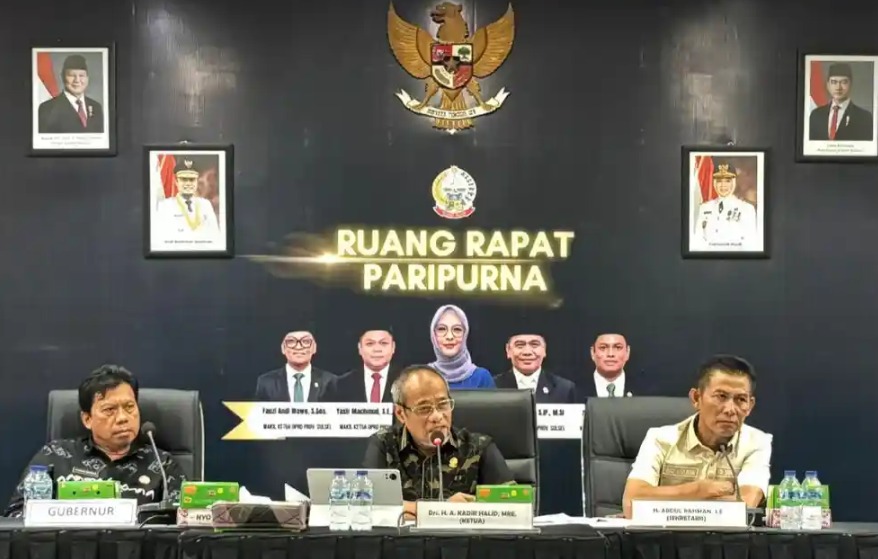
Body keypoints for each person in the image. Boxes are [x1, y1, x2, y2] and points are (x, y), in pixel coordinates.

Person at [4, 365, 185, 516]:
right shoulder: (55, 457)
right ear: (87, 419)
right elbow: (16, 515)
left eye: (129, 407)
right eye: (109, 410)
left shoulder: (162, 465)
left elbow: (184, 522)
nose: (122, 418)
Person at [622, 355, 772, 518]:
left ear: (750, 406)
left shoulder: (757, 442)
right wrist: (700, 490)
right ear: (696, 398)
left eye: (740, 399)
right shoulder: (660, 439)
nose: (730, 409)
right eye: (721, 396)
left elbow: (744, 507)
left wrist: (664, 499)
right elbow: (631, 502)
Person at [362, 365, 515, 518]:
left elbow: (514, 505)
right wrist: (443, 510)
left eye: (443, 405)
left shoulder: (478, 448)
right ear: (401, 414)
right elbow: (366, 505)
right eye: (424, 408)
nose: (437, 416)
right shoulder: (385, 444)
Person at [493, 333, 577, 403]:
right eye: (520, 345)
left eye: (534, 345)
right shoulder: (493, 386)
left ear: (544, 350)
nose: (527, 352)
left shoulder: (564, 389)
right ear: (508, 350)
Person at [254, 330, 335, 402]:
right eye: (291, 341)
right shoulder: (267, 382)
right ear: (283, 348)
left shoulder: (329, 381)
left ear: (314, 348)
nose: (298, 347)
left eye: (306, 341)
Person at [153, 158, 221, 243]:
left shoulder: (206, 205)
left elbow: (215, 238)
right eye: (184, 179)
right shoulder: (165, 206)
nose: (188, 183)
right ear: (176, 182)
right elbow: (162, 239)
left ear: (197, 181)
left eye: (192, 179)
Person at [428, 304, 494, 389]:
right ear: (434, 335)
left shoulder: (482, 378)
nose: (449, 336)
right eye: (442, 329)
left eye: (457, 329)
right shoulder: (423, 376)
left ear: (465, 334)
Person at [693, 162, 758, 248]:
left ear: (734, 182)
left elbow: (750, 244)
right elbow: (698, 241)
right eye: (719, 181)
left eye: (728, 181)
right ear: (714, 183)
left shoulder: (747, 209)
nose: (723, 185)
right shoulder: (704, 208)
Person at [37, 54, 105, 134]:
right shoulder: (47, 108)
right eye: (72, 75)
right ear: (63, 77)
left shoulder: (96, 107)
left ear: (87, 78)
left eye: (81, 75)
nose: (77, 80)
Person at [328, 328, 400, 403]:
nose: (377, 349)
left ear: (393, 347)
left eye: (384, 343)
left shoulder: (406, 381)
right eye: (370, 344)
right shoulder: (339, 385)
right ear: (360, 348)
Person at [809, 62, 874, 141]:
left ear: (850, 84)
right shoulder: (816, 115)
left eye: (843, 82)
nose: (838, 87)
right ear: (828, 85)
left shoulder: (864, 118)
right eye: (834, 82)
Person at [582, 333, 639, 398]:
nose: (610, 354)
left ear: (627, 352)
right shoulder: (575, 389)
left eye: (618, 347)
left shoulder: (644, 389)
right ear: (592, 352)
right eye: (603, 348)